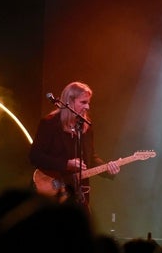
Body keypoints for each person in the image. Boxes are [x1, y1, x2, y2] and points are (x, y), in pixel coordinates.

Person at [29, 81, 120, 214]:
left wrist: (108, 169)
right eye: (83, 102)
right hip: (53, 191)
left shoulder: (86, 128)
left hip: (78, 192)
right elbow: (35, 155)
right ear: (69, 102)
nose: (88, 107)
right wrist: (66, 164)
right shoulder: (50, 123)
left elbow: (90, 157)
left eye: (88, 102)